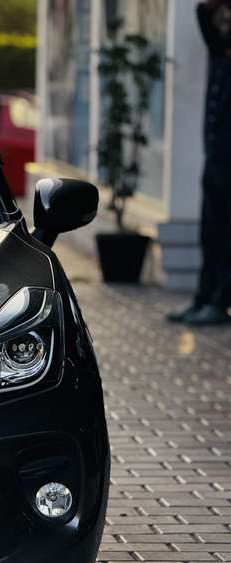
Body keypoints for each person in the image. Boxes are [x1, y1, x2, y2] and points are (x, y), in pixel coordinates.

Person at [169, 0, 231, 325]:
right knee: (211, 230)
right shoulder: (220, 48)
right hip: (216, 151)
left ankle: (220, 302)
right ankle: (204, 298)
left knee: (226, 233)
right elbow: (204, 14)